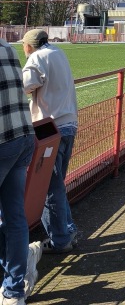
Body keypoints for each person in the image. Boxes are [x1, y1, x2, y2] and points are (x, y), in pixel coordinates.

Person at [21, 29, 79, 254]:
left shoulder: (37, 58)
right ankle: (67, 229)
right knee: (56, 185)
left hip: (49, 129)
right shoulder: (59, 53)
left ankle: (60, 238)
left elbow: (24, 86)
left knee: (47, 186)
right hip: (68, 125)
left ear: (29, 45)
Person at [0, 36, 38, 304]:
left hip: (4, 141)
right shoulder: (6, 46)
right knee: (13, 216)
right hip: (22, 136)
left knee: (11, 217)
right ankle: (14, 288)